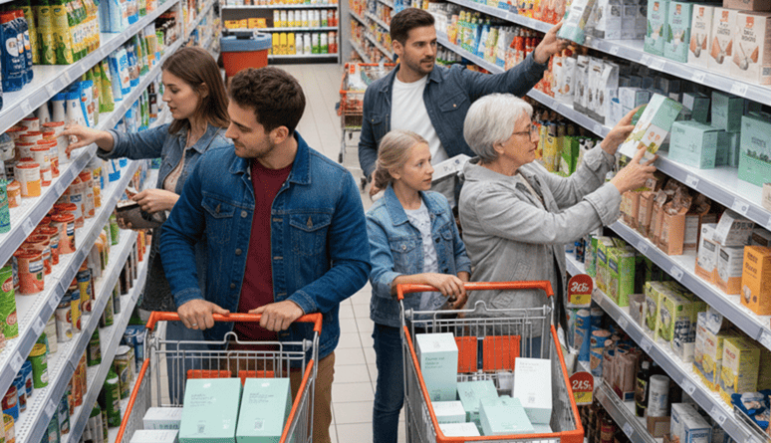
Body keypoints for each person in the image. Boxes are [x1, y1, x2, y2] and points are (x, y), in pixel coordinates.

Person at [158, 67, 371, 443]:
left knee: (307, 438)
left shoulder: (334, 184)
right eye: (231, 121)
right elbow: (177, 233)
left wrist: (300, 302)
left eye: (242, 127)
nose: (228, 133)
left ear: (279, 133)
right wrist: (188, 294)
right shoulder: (213, 169)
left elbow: (355, 265)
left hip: (302, 353)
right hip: (231, 346)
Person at [62, 46, 231, 401]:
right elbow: (133, 143)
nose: (165, 97)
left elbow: (230, 216)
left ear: (203, 90)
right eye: (164, 88)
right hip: (176, 271)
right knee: (183, 368)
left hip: (206, 274)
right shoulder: (177, 134)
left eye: (174, 89)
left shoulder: (224, 146)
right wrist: (97, 136)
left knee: (199, 372)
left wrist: (172, 202)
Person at [458, 93, 657, 356]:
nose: (536, 138)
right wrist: (617, 186)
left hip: (535, 312)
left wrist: (608, 146)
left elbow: (571, 190)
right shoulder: (484, 196)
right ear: (499, 145)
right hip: (508, 322)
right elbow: (556, 228)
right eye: (527, 132)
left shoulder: (523, 170)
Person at [358, 7, 569, 204]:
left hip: (454, 204)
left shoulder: (455, 80)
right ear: (398, 47)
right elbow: (367, 145)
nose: (430, 52)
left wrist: (539, 55)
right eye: (420, 45)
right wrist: (373, 171)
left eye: (433, 43)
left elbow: (504, 86)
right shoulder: (377, 93)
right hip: (401, 204)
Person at [366, 130, 471, 443]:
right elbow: (381, 279)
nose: (430, 170)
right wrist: (429, 279)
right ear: (396, 171)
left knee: (439, 397)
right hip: (396, 326)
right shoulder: (378, 219)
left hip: (441, 321)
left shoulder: (438, 204)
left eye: (430, 161)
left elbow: (459, 253)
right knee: (391, 400)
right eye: (420, 164)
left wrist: (462, 285)